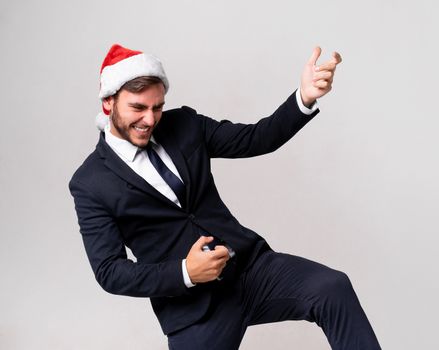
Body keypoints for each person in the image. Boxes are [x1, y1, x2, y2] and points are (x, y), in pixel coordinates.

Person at [69, 43, 381, 350]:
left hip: (250, 270)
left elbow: (256, 138)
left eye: (157, 107)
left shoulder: (185, 125)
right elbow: (110, 271)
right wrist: (185, 272)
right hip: (193, 310)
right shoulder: (90, 183)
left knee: (332, 288)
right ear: (108, 103)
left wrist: (304, 98)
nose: (150, 119)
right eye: (138, 108)